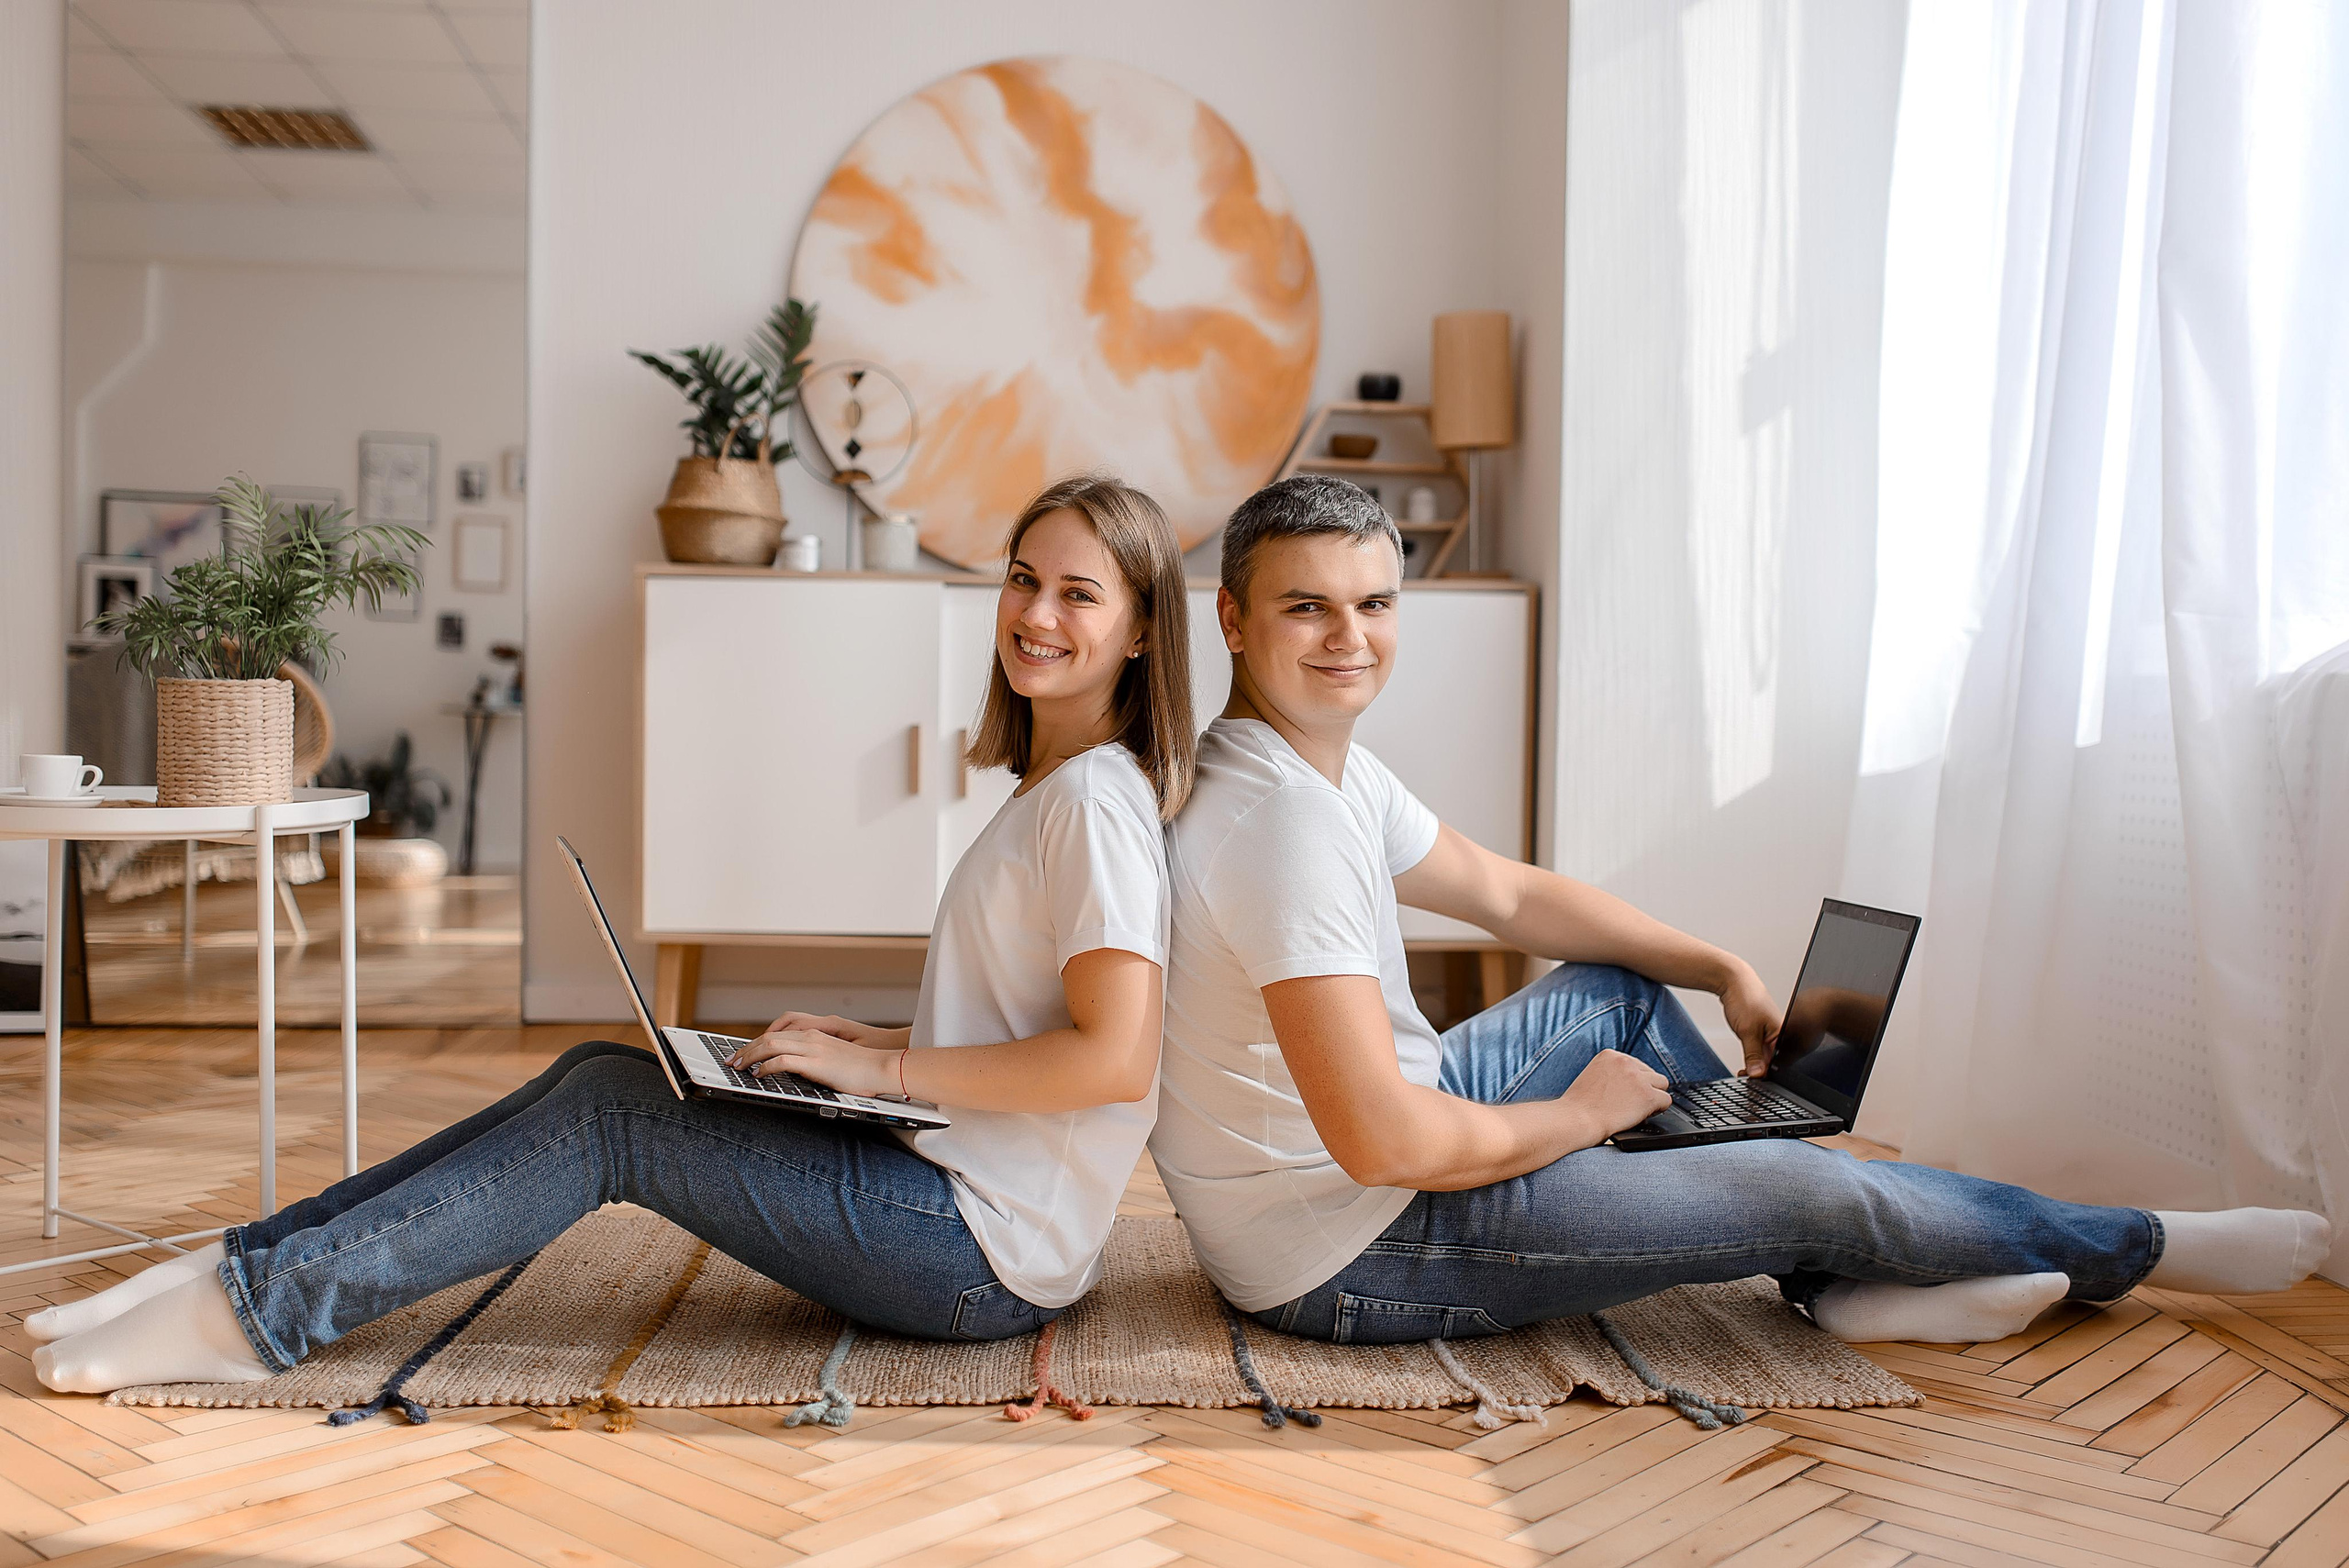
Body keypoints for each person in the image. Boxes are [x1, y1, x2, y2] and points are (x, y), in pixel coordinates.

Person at [34, 473, 1194, 1393]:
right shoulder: (1057, 788)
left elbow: (1114, 1057)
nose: (1036, 613)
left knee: (608, 1118)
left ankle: (253, 1312)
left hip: (976, 1255)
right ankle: (248, 1261)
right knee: (605, 1068)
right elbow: (1033, 1016)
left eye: (1080, 593)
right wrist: (869, 1031)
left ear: (1142, 629)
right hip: (957, 1196)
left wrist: (884, 1067)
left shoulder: (1093, 803)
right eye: (1023, 577)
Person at [1151, 474, 2331, 1348]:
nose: (1350, 638)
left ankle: (1835, 1282)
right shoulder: (1280, 829)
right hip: (1353, 1248)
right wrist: (1573, 1115)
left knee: (1618, 991)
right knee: (1807, 1181)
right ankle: (2141, 1240)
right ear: (1236, 621)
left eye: (1373, 604)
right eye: (1308, 608)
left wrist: (1714, 962)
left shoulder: (1310, 765)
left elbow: (1505, 892)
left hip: (1365, 1165)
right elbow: (1388, 1145)